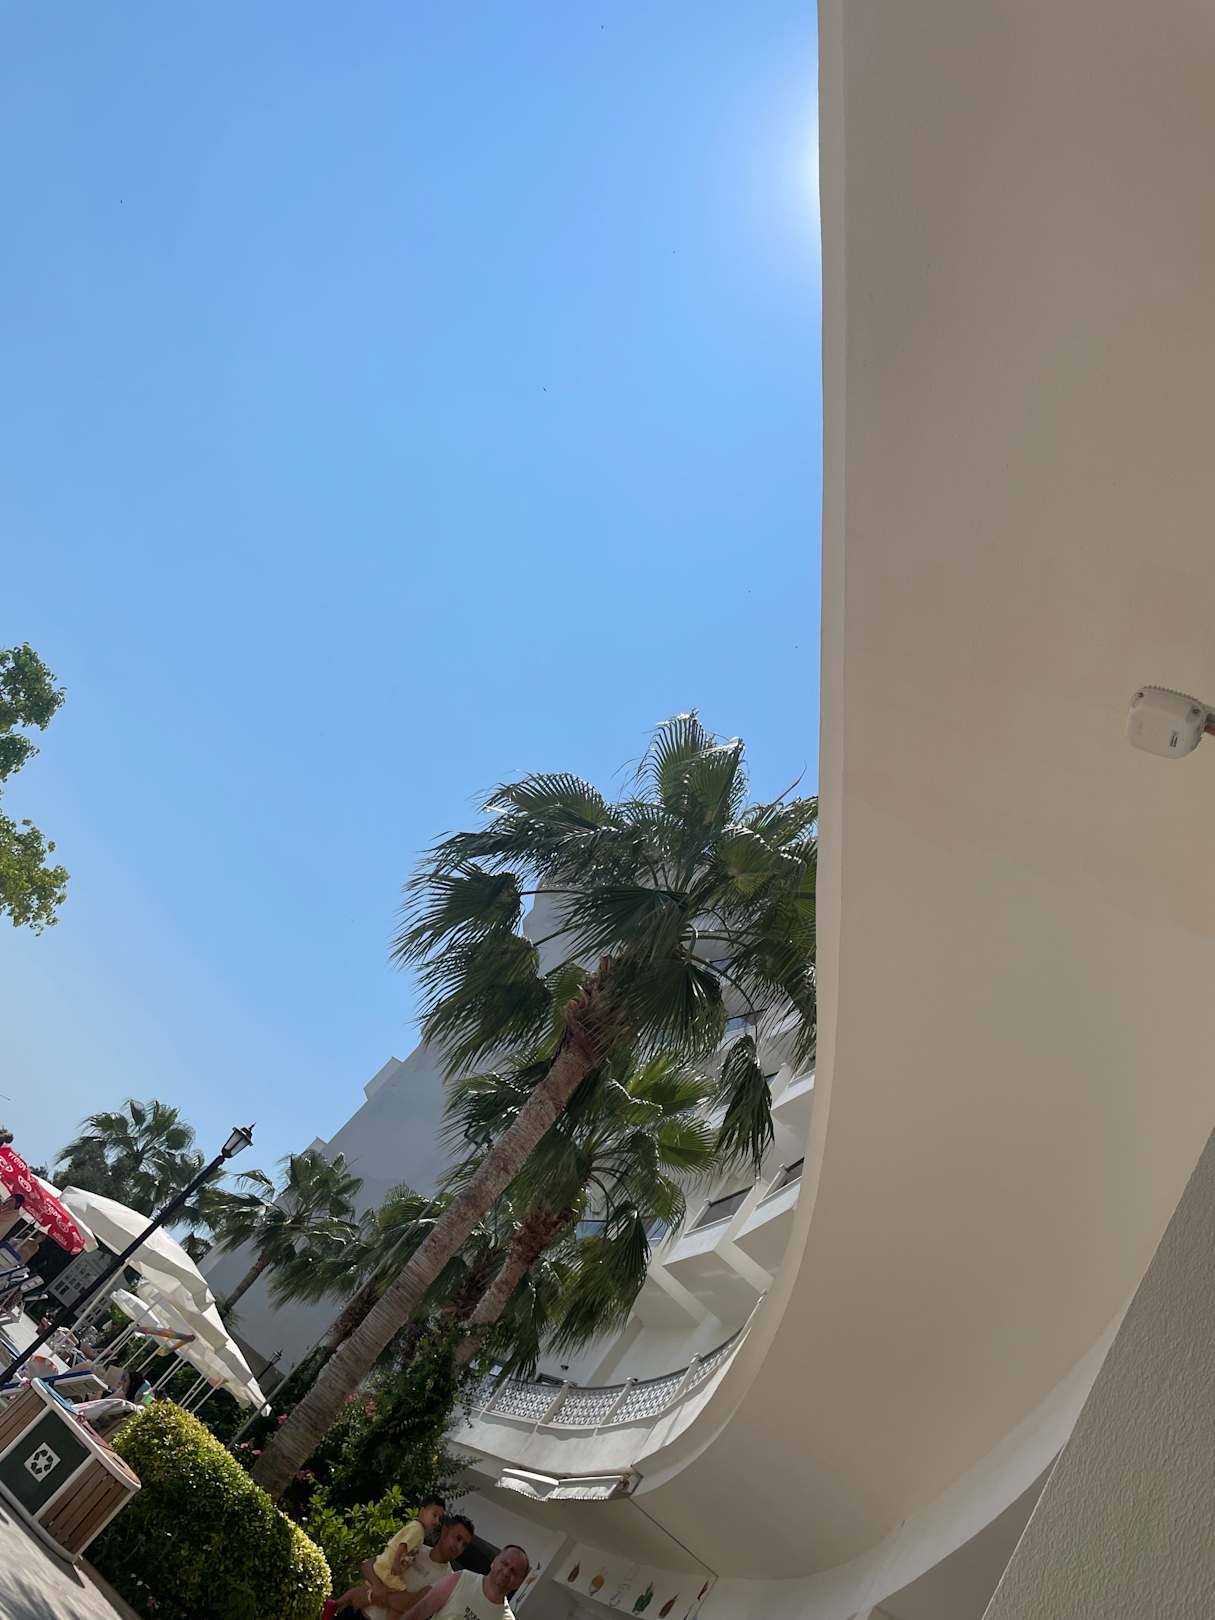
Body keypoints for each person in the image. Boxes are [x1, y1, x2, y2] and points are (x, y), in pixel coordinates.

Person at [326, 1495, 447, 1619]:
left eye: (439, 1518)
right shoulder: (418, 1529)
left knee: (363, 1590)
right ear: (422, 1511)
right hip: (389, 1570)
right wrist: (396, 1564)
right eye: (434, 1515)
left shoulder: (415, 1527)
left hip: (383, 1565)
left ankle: (335, 1604)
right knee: (401, 1601)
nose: (436, 1521)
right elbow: (403, 1546)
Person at [406, 1545, 529, 1620]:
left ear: (518, 1584)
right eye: (505, 1563)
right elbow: (419, 1612)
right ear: (494, 1562)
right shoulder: (461, 1578)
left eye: (514, 1572)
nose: (506, 1572)